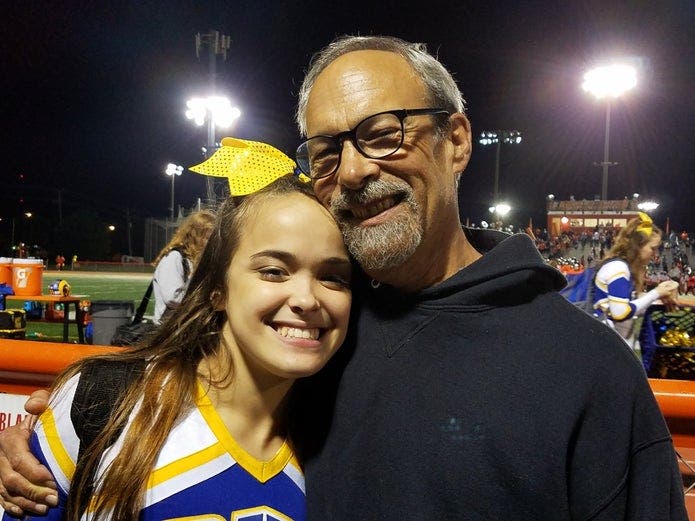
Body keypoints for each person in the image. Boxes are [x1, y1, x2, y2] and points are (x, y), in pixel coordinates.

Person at [0, 35, 687, 520]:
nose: (355, 170)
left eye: (384, 132)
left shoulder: (585, 368)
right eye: (327, 151)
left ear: (456, 140)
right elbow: (184, 386)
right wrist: (59, 430)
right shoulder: (318, 337)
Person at [0, 172, 352, 519]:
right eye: (273, 271)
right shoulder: (106, 403)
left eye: (333, 278)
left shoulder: (346, 443)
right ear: (217, 289)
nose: (307, 299)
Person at [593, 212, 679, 349]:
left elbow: (630, 308)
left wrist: (659, 296)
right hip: (606, 348)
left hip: (613, 346)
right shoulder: (618, 268)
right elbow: (620, 313)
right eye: (652, 248)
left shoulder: (624, 267)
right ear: (638, 245)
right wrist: (656, 292)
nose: (655, 254)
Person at [151, 210, 215, 324]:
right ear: (195, 236)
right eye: (208, 238)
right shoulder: (174, 257)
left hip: (189, 324)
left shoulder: (198, 260)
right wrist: (205, 296)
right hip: (170, 328)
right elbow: (173, 298)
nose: (212, 243)